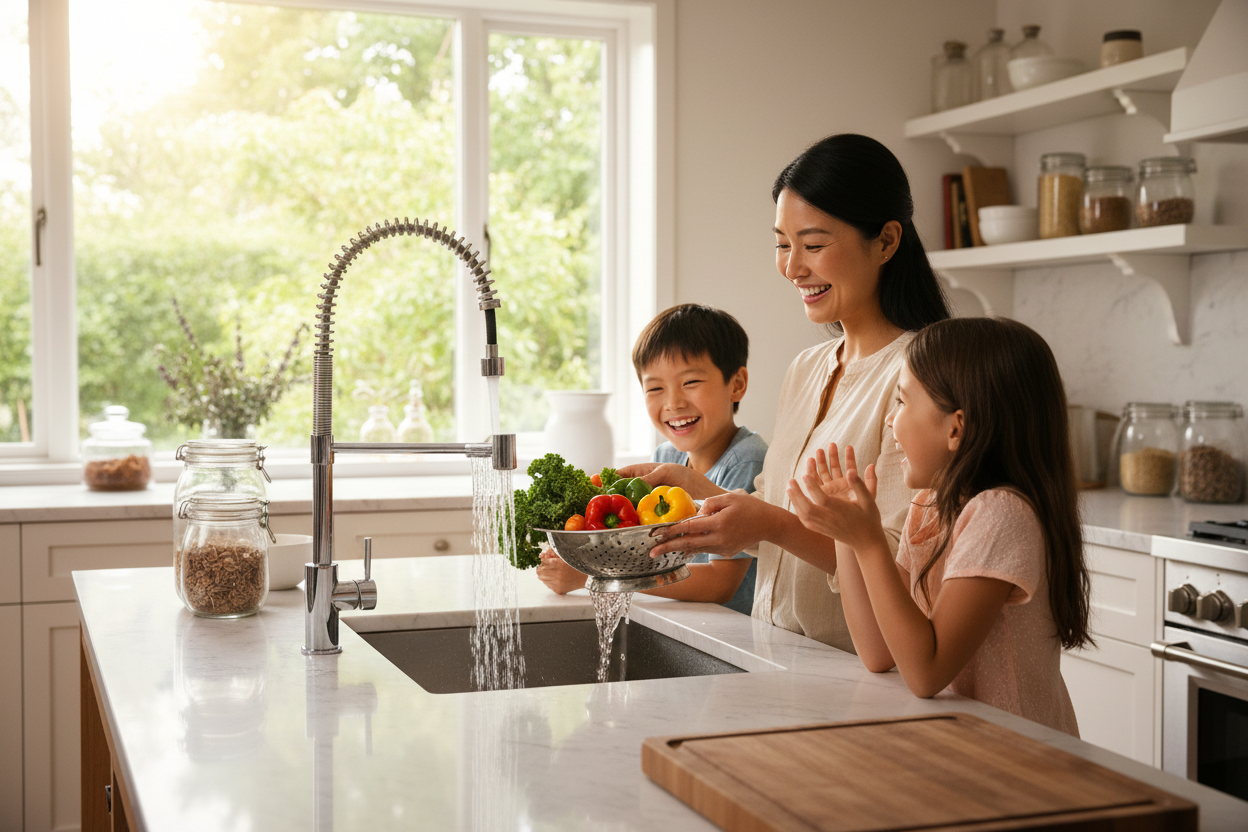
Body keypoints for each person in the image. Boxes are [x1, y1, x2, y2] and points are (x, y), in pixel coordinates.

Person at [621, 134, 950, 652]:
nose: (792, 266)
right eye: (782, 244)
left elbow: (902, 561)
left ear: (886, 241)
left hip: (857, 667)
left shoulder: (923, 374)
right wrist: (695, 487)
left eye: (813, 245)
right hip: (774, 649)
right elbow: (777, 514)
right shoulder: (807, 368)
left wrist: (773, 526)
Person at [786, 318, 1091, 736]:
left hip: (1023, 757)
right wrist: (849, 534)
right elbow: (877, 651)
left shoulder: (1000, 514)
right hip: (965, 745)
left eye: (902, 402)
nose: (892, 421)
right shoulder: (931, 505)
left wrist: (871, 541)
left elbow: (926, 673)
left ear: (956, 427)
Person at [536, 304, 768, 613]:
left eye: (691, 383)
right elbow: (645, 551)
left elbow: (720, 583)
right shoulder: (666, 456)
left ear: (736, 384)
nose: (673, 402)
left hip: (733, 634)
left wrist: (595, 576)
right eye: (655, 388)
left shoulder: (745, 460)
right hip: (685, 621)